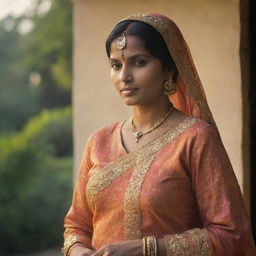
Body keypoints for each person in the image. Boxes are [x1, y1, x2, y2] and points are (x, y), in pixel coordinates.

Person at [62, 13, 256, 256]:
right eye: (116, 65)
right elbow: (76, 226)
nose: (124, 76)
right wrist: (80, 252)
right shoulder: (98, 141)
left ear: (168, 69)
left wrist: (147, 249)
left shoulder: (195, 138)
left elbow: (231, 234)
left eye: (139, 62)